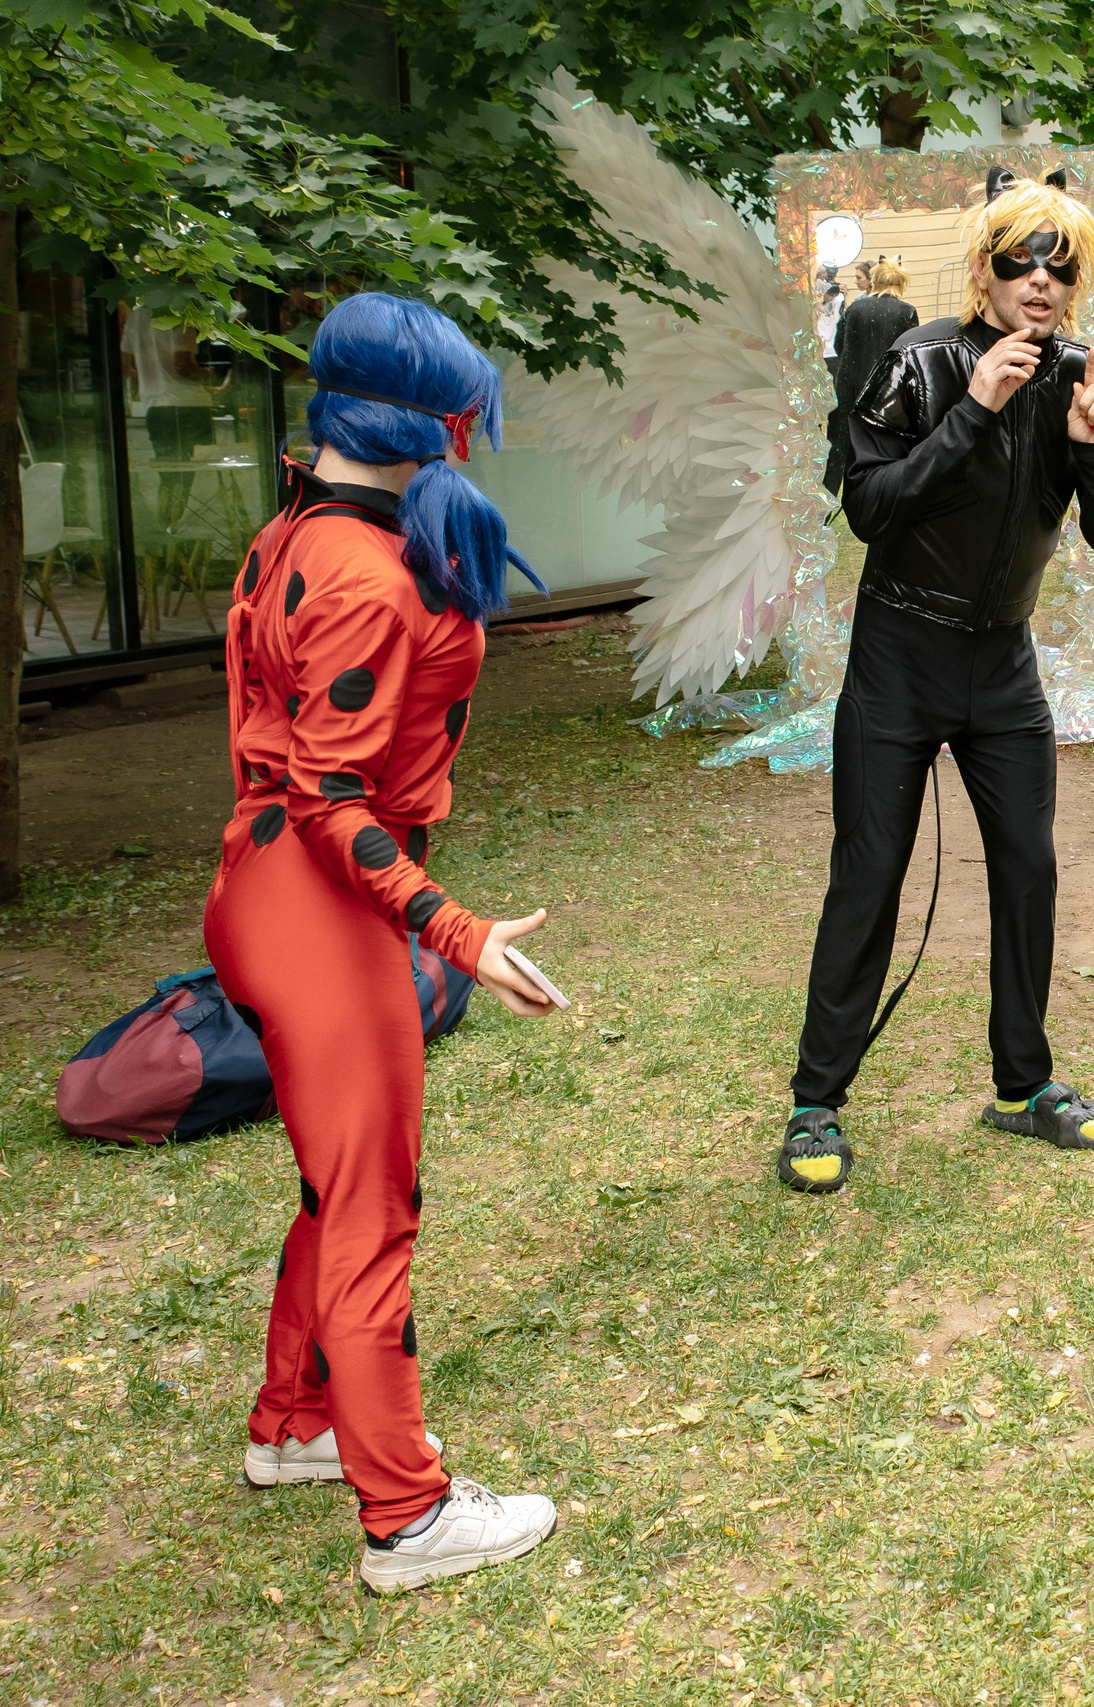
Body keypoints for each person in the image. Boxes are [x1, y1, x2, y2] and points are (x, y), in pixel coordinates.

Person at [208, 292, 564, 1593]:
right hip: (316, 898)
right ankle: (407, 1517)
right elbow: (329, 795)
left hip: (263, 886)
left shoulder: (296, 528)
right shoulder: (362, 571)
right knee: (372, 1208)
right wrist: (456, 930)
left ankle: (296, 1421)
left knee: (334, 1187)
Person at [780, 176, 1094, 1193]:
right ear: (983, 267)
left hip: (1004, 663)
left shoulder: (1086, 375)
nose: (1040, 280)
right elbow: (871, 507)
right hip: (899, 654)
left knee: (1028, 867)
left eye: (1059, 264)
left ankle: (1023, 1089)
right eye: (1019, 260)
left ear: (1077, 281)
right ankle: (817, 1103)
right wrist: (974, 410)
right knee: (871, 874)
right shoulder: (918, 361)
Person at [824, 258, 920, 499]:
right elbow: (911, 355)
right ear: (901, 283)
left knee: (837, 453)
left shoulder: (855, 309)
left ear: (875, 281)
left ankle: (823, 507)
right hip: (885, 395)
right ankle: (875, 502)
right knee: (881, 454)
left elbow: (838, 344)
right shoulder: (906, 311)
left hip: (848, 390)